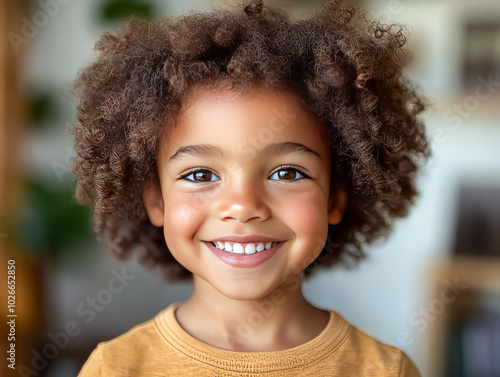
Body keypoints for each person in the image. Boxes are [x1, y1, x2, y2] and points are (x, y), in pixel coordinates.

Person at [71, 0, 430, 375]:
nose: (243, 206)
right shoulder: (115, 368)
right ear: (156, 200)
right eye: (200, 175)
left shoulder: (385, 369)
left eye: (287, 173)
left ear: (335, 197)